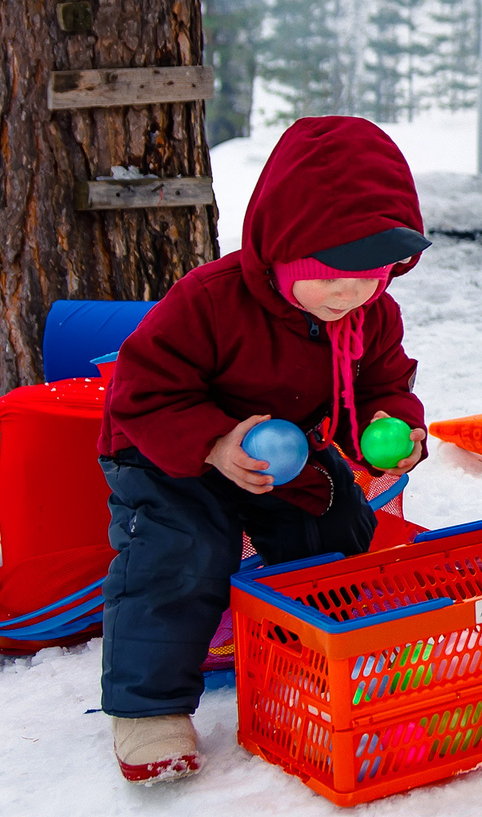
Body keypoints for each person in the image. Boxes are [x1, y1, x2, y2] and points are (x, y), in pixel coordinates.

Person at [96, 117, 431, 783]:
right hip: (171, 452)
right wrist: (216, 444)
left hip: (289, 453)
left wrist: (392, 425)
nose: (353, 293)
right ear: (284, 253)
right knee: (184, 549)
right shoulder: (210, 302)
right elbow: (141, 395)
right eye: (333, 275)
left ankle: (304, 653)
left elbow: (384, 382)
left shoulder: (370, 313)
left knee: (333, 528)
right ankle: (148, 708)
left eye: (373, 275)